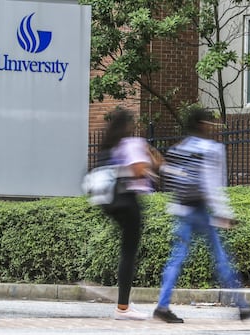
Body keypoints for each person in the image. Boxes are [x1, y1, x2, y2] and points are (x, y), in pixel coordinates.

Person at [153, 107, 250, 323]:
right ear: (202, 124)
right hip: (200, 211)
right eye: (210, 123)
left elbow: (172, 180)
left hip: (182, 209)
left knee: (176, 258)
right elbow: (213, 185)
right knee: (221, 257)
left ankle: (162, 306)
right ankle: (242, 306)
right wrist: (224, 213)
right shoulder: (212, 149)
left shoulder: (179, 148)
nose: (212, 127)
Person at [97, 107, 156, 321]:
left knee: (126, 252)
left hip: (110, 203)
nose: (134, 126)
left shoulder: (108, 145)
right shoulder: (130, 144)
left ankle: (123, 305)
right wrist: (148, 156)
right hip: (128, 201)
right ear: (126, 125)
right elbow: (139, 170)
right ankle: (123, 307)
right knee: (129, 253)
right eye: (132, 123)